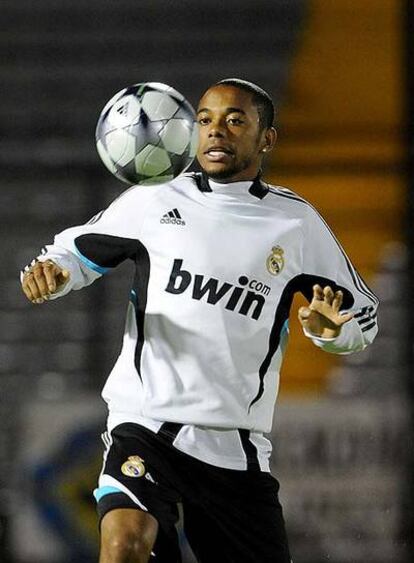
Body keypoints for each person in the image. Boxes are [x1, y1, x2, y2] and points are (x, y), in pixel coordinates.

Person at [20, 78, 379, 563]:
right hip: (146, 426)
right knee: (124, 543)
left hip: (235, 449)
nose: (216, 132)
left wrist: (331, 331)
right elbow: (76, 253)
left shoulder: (296, 224)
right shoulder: (156, 200)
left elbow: (361, 318)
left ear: (266, 138)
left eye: (235, 120)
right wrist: (53, 273)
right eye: (205, 120)